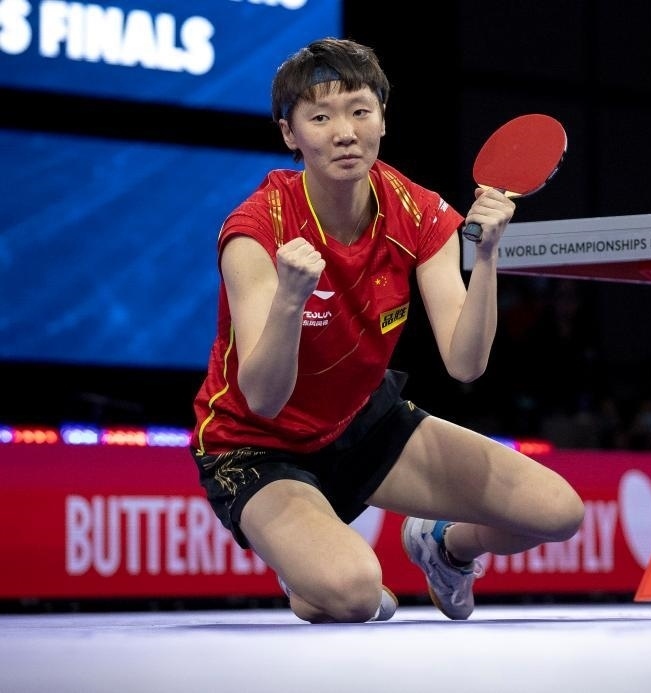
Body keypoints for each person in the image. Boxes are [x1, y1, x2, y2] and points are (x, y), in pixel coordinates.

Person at [189, 37, 584, 623]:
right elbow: (265, 400)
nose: (344, 133)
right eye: (320, 118)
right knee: (354, 593)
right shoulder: (255, 232)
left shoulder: (418, 213)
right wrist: (290, 300)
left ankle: (444, 546)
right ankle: (312, 571)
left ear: (382, 119)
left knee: (558, 512)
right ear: (290, 134)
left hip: (362, 422)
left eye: (359, 111)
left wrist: (488, 255)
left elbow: (465, 364)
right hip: (257, 446)